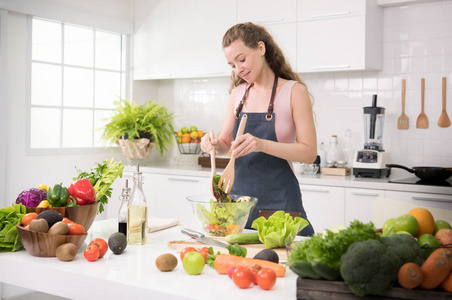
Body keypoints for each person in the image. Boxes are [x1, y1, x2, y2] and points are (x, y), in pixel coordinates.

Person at [200, 22, 317, 236]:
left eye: (242, 59)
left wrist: (261, 144)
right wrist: (214, 145)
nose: (239, 69)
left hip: (280, 203)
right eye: (232, 65)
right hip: (237, 204)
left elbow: (309, 153)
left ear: (261, 49)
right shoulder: (238, 93)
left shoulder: (294, 91)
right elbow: (226, 144)